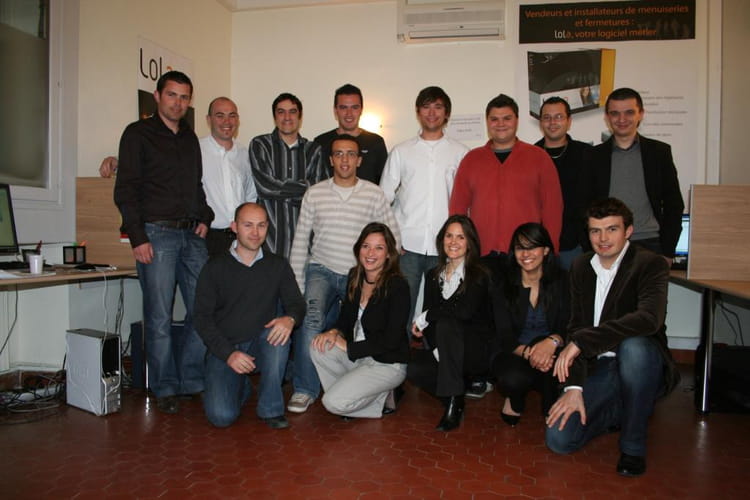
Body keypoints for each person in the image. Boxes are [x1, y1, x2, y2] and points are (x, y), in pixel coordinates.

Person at [545, 198, 679, 477]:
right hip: (597, 365)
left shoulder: (650, 263)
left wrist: (584, 342)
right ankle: (623, 409)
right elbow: (575, 328)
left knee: (634, 347)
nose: (603, 238)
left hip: (639, 361)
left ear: (628, 231)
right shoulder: (581, 266)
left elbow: (648, 319)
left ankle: (633, 447)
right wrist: (574, 388)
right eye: (595, 231)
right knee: (559, 440)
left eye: (612, 229)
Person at [114, 71, 213, 414]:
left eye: (184, 97)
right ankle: (165, 386)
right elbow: (125, 190)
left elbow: (196, 186)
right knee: (159, 316)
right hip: (156, 235)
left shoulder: (189, 138)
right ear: (157, 96)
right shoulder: (137, 134)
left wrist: (205, 217)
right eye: (172, 95)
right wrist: (137, 237)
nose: (178, 103)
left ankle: (190, 379)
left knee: (204, 310)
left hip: (192, 235)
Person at [287, 135, 400, 414]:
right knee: (311, 321)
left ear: (359, 160)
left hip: (360, 273)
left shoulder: (374, 193)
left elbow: (392, 236)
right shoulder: (315, 193)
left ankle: (366, 381)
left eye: (350, 154)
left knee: (361, 326)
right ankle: (305, 389)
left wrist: (382, 274)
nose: (345, 159)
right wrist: (297, 285)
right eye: (338, 154)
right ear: (331, 160)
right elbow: (301, 239)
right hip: (322, 268)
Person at [99, 96, 257, 257]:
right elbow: (156, 166)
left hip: (239, 239)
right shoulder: (193, 147)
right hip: (205, 236)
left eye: (232, 115)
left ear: (238, 120)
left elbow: (251, 196)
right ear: (208, 119)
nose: (227, 121)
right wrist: (117, 162)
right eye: (220, 115)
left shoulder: (246, 155)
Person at [194, 203, 305, 429]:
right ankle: (240, 384)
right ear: (234, 227)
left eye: (261, 225)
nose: (255, 232)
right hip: (226, 348)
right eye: (248, 225)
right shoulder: (214, 267)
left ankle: (271, 409)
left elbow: (297, 304)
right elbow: (202, 318)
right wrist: (228, 354)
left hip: (261, 344)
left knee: (280, 336)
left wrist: (290, 319)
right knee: (221, 417)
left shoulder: (278, 265)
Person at [379, 86, 469, 341]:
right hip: (407, 245)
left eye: (438, 107)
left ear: (447, 113)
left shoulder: (461, 153)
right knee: (402, 306)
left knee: (440, 308)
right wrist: (392, 239)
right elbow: (383, 199)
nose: (432, 112)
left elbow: (466, 202)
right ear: (418, 112)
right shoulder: (401, 151)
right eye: (426, 106)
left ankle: (436, 360)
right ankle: (398, 359)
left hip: (446, 247)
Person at [310, 222, 410, 419]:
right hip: (360, 358)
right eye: (366, 246)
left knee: (331, 403)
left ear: (388, 254)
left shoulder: (398, 286)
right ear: (358, 249)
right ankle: (358, 394)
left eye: (379, 247)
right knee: (318, 346)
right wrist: (334, 332)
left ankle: (376, 398)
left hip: (387, 363)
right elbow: (345, 319)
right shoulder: (355, 276)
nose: (370, 253)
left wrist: (348, 347)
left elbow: (391, 340)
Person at [407, 215, 493, 431]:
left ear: (470, 242)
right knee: (414, 369)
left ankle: (453, 404)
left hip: (472, 351)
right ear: (441, 240)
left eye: (460, 237)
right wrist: (439, 349)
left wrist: (427, 315)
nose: (453, 242)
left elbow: (463, 312)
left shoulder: (479, 274)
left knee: (446, 323)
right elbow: (428, 327)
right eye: (449, 236)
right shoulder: (432, 275)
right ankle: (457, 393)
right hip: (444, 351)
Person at [449, 94, 563, 258]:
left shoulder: (539, 158)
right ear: (487, 122)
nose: (500, 124)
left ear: (517, 120)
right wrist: (458, 248)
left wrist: (550, 250)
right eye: (494, 119)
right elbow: (457, 209)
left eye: (507, 118)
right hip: (482, 254)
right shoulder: (471, 160)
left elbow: (552, 210)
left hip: (526, 255)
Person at [580, 87, 684, 261]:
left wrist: (668, 251)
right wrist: (589, 248)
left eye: (629, 112)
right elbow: (583, 206)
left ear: (641, 114)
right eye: (615, 113)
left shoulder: (659, 152)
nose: (622, 119)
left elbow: (674, 204)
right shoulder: (592, 156)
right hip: (606, 245)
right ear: (607, 117)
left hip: (651, 244)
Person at [490, 223, 569, 427]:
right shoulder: (503, 284)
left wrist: (552, 342)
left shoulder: (562, 281)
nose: (526, 254)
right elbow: (504, 336)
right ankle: (515, 397)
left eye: (532, 247)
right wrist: (533, 353)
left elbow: (567, 324)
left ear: (546, 250)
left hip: (552, 351)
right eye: (520, 248)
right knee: (512, 379)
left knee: (556, 363)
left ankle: (550, 398)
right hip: (514, 351)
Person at [249, 92, 328, 260]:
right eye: (281, 112)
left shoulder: (314, 150)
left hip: (306, 243)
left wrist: (279, 190)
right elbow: (265, 187)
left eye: (292, 111)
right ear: (274, 117)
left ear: (300, 116)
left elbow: (320, 192)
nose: (287, 117)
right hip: (270, 241)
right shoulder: (260, 145)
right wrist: (304, 189)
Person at [534, 97, 592, 270]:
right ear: (541, 122)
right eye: (547, 117)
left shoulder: (587, 154)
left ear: (569, 121)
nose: (552, 122)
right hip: (540, 246)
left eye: (558, 117)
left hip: (577, 245)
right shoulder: (530, 156)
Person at [314, 84, 388, 184]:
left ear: (361, 110)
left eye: (354, 107)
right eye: (343, 107)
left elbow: (384, 182)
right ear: (335, 110)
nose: (349, 113)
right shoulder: (321, 142)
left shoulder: (375, 142)